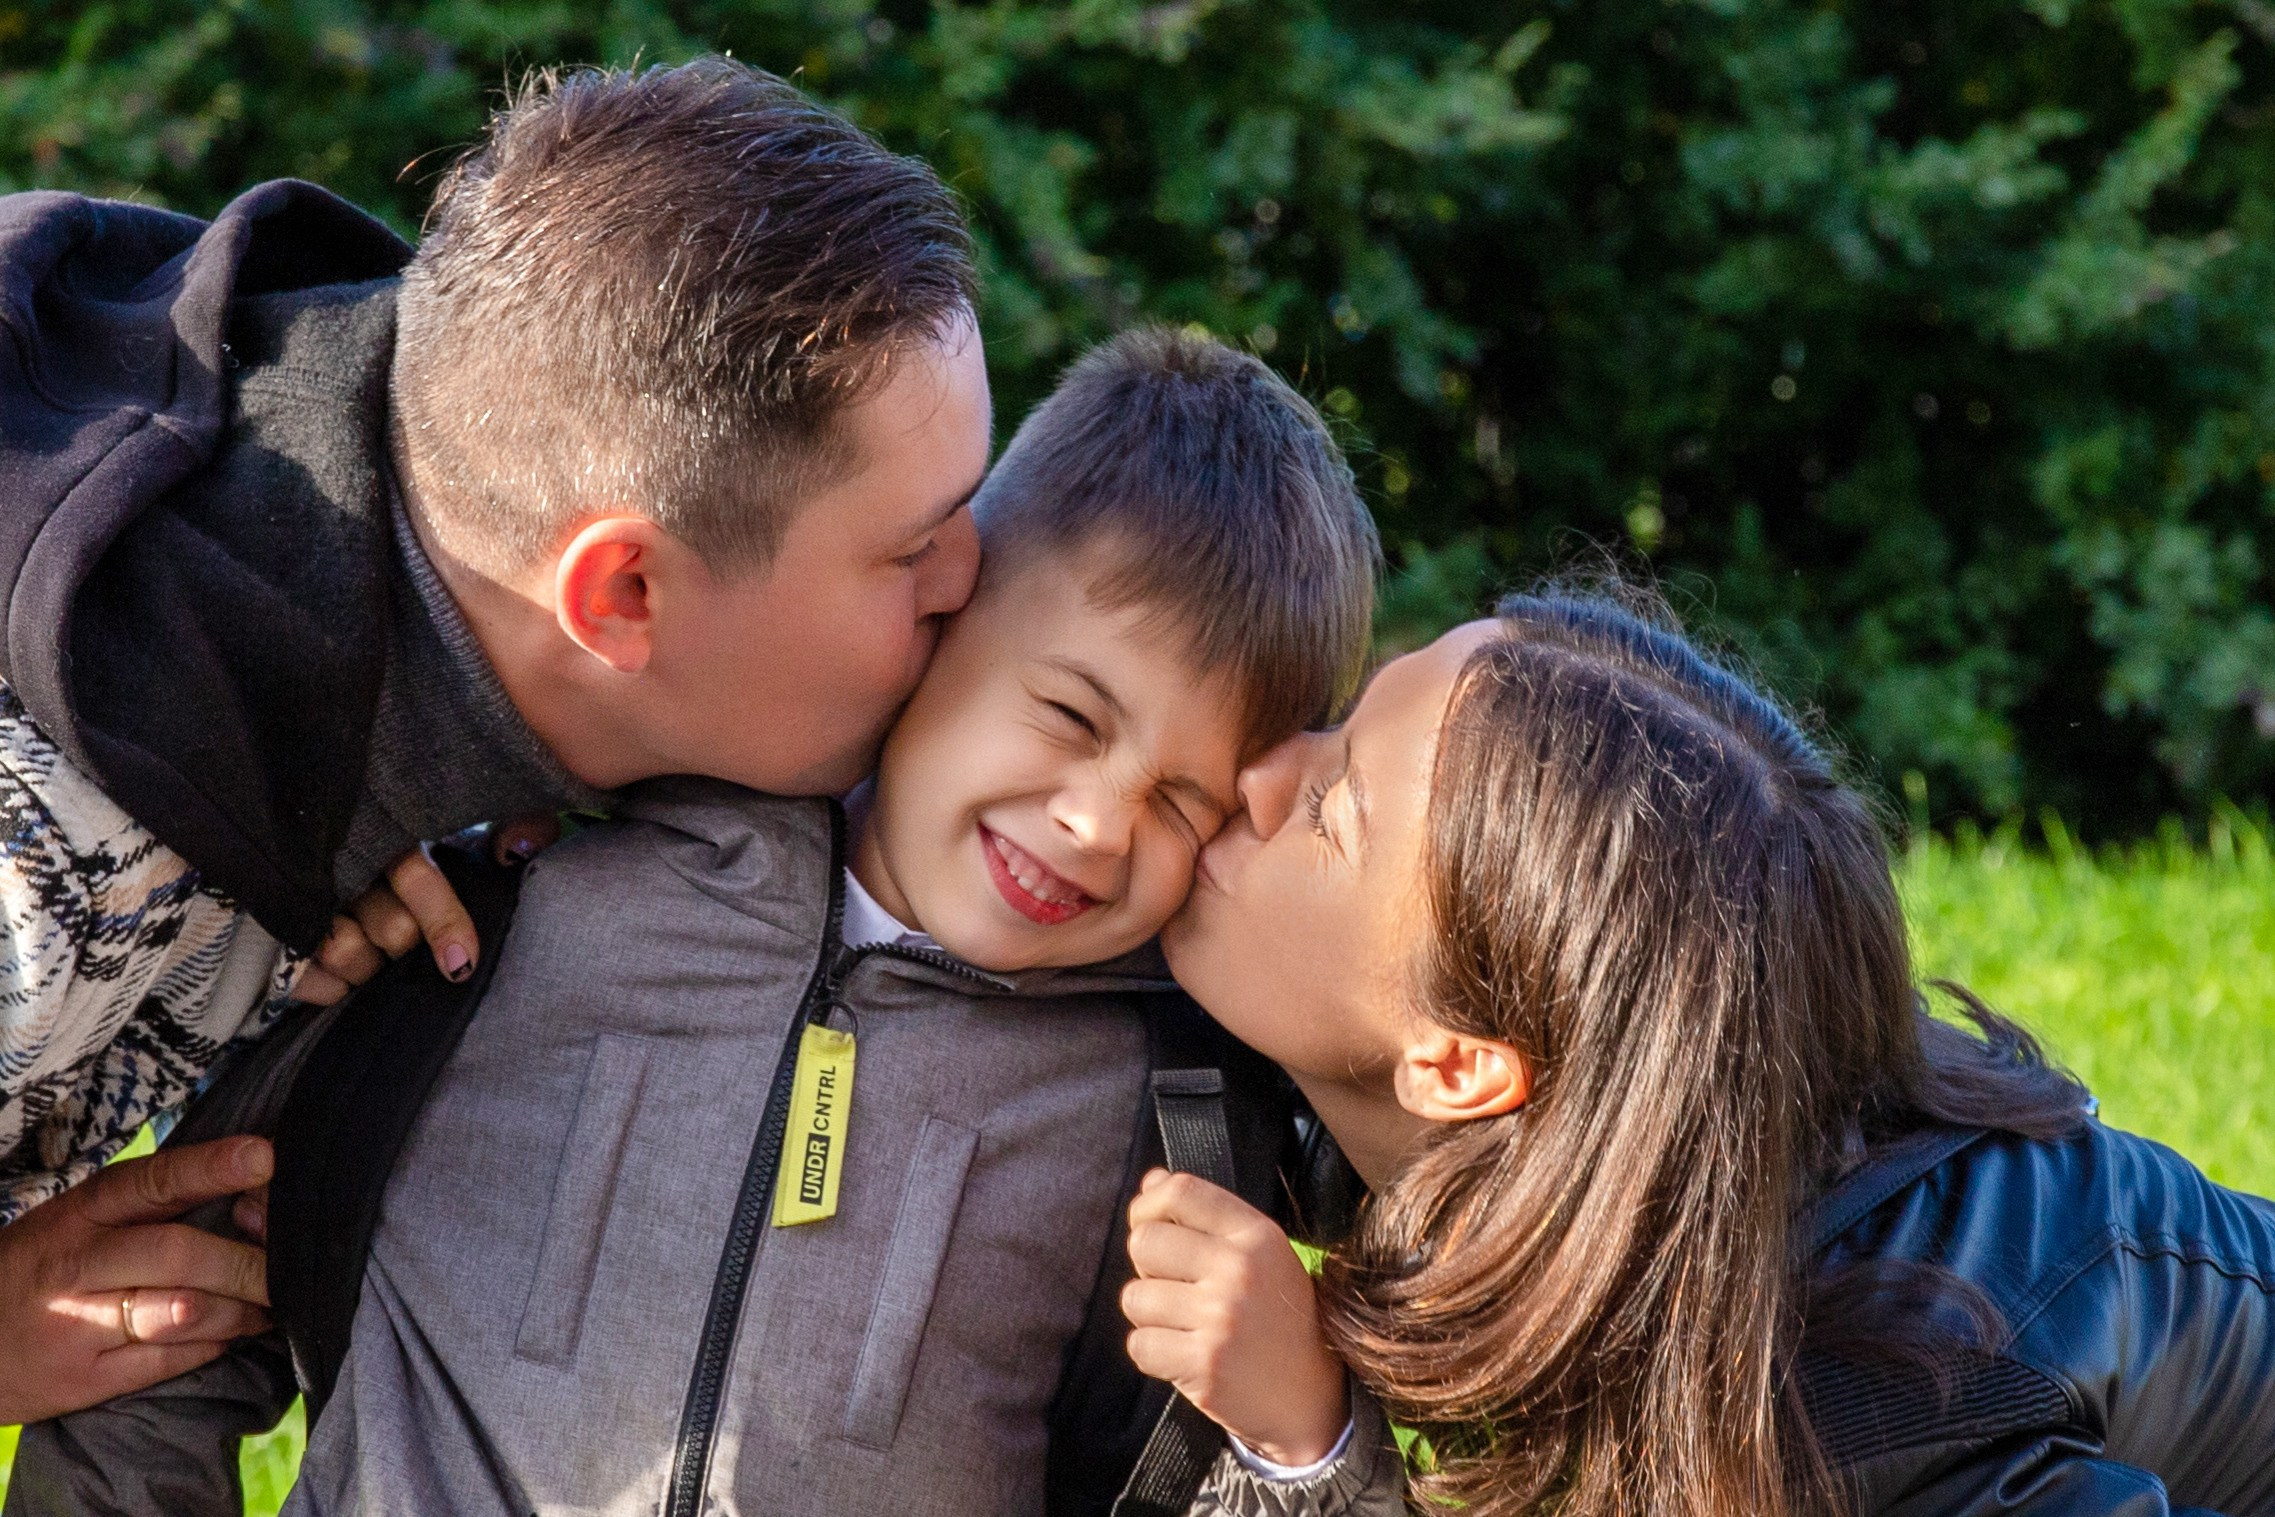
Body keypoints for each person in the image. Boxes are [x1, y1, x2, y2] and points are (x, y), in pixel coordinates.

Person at [6, 329, 1381, 1516]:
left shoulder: (1168, 1116)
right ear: (940, 614)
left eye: (1180, 802)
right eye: (1070, 716)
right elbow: (173, 1318)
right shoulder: (512, 896)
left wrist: (1309, 1443)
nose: (1094, 823)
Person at [0, 58, 989, 1423]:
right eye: (910, 546)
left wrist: (371, 796)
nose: (971, 580)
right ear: (621, 597)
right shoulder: (51, 869)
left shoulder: (284, 438)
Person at [1121, 590, 2275, 1515]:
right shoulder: (1641, 1132)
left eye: (1333, 812)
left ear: (1461, 1061)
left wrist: (1313, 1450)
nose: (1262, 769)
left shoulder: (1871, 1417)